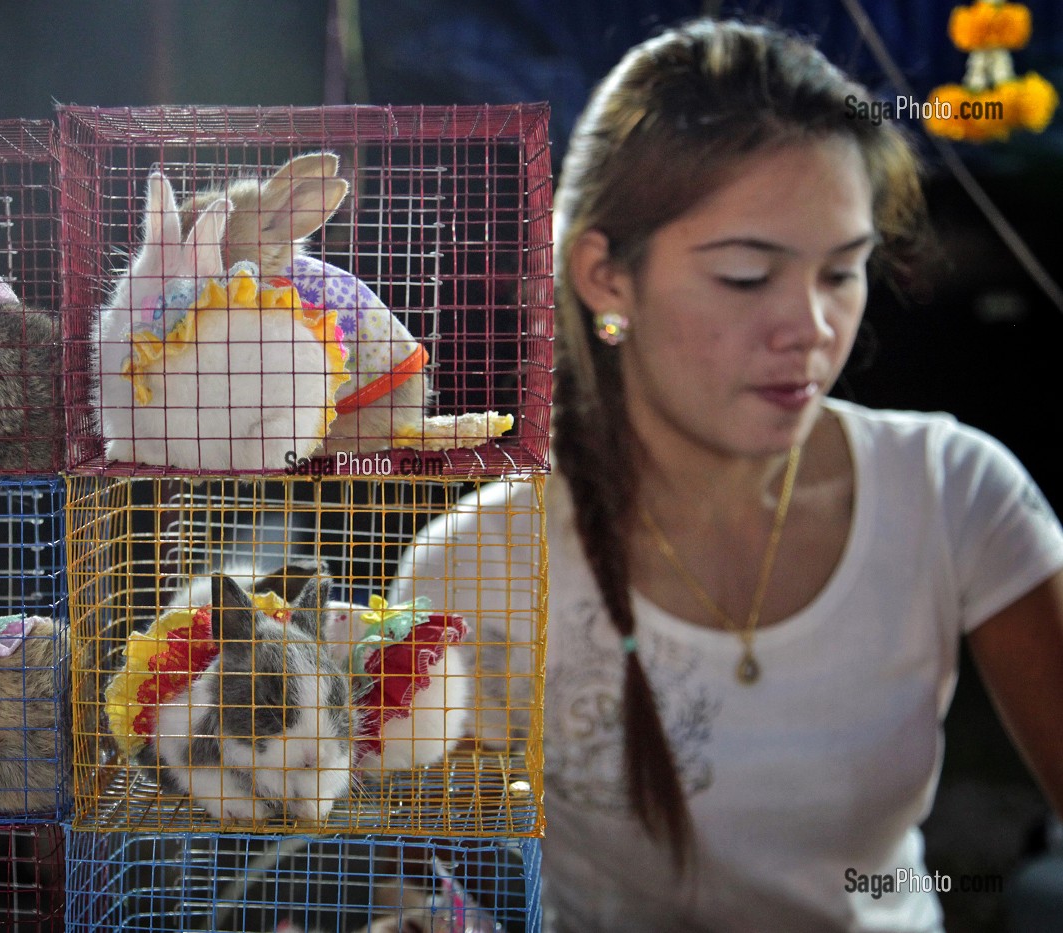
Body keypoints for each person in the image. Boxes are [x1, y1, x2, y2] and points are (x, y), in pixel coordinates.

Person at [390, 18, 1063, 932]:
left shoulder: (953, 490)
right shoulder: (480, 566)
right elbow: (420, 869)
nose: (814, 329)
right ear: (605, 276)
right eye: (748, 276)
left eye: (842, 273)